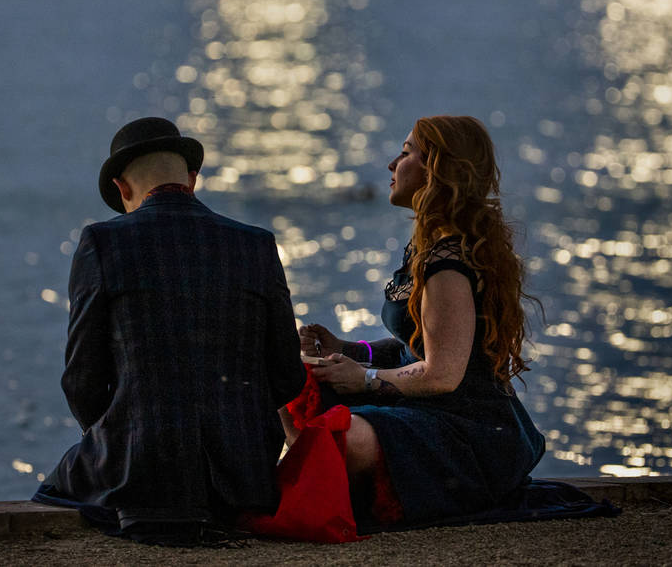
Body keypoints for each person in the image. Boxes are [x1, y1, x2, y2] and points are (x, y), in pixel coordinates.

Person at [34, 117, 306, 544]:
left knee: (49, 492)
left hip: (139, 473)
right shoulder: (257, 244)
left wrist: (117, 435)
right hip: (244, 479)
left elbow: (82, 381)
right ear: (192, 179)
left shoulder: (102, 243)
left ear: (123, 189)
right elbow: (288, 374)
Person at [296, 115, 544, 524]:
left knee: (342, 436)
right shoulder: (429, 247)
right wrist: (349, 349)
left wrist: (366, 380)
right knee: (292, 379)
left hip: (469, 429)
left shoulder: (447, 265)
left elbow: (442, 374)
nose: (392, 165)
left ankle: (338, 498)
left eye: (407, 152)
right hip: (428, 408)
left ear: (439, 168)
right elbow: (420, 343)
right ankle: (326, 491)